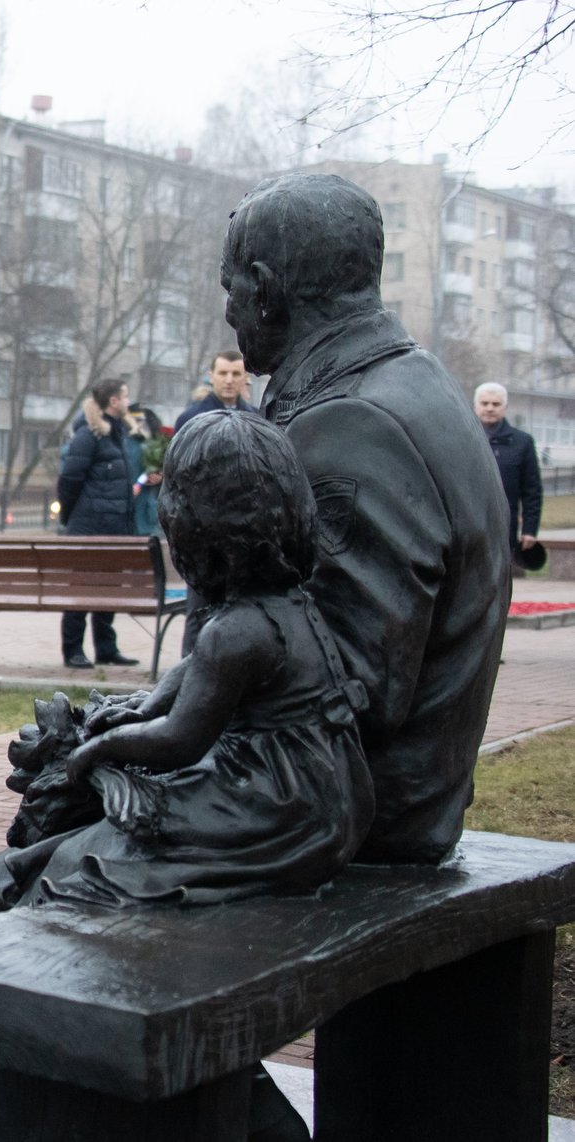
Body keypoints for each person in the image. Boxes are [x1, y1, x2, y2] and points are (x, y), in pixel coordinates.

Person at [0, 410, 352, 1142]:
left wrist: (92, 754)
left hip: (273, 805)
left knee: (74, 877)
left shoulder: (238, 632)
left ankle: (61, 1068)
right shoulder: (284, 608)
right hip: (321, 794)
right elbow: (172, 689)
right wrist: (125, 714)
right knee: (77, 855)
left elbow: (178, 739)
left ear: (198, 526)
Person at [225, 172, 509, 865]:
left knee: (27, 870)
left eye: (229, 286)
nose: (229, 311)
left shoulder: (347, 427)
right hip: (383, 794)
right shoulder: (416, 380)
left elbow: (344, 692)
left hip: (359, 817)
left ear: (264, 287)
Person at [55, 379, 140, 669]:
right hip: (89, 527)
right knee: (81, 589)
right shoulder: (89, 434)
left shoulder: (116, 433)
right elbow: (69, 478)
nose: (129, 401)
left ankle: (106, 649)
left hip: (114, 527)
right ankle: (73, 650)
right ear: (114, 401)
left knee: (108, 588)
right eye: (126, 396)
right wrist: (70, 516)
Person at [475, 382, 543, 570]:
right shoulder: (459, 438)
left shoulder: (523, 443)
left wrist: (530, 529)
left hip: (505, 527)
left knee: (500, 578)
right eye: (485, 403)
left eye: (496, 404)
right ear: (475, 406)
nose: (489, 408)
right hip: (468, 523)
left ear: (504, 408)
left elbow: (532, 490)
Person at [174, 350, 255, 433]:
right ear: (211, 377)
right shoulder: (190, 418)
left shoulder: (256, 418)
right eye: (223, 373)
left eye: (236, 374)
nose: (229, 380)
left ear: (245, 378)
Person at [124, 403, 165, 537]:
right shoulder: (120, 440)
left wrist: (160, 477)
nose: (139, 425)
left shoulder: (154, 443)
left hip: (148, 513)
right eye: (135, 420)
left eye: (141, 421)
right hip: (124, 511)